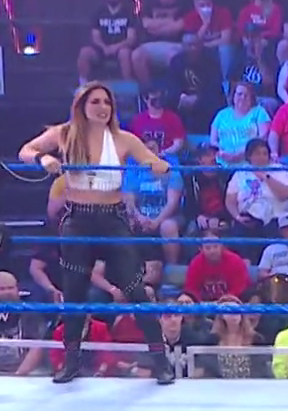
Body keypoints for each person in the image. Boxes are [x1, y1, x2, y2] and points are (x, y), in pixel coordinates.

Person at [18, 82, 175, 384]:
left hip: (113, 219)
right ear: (82, 106)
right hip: (77, 219)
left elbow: (150, 160)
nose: (102, 107)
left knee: (136, 290)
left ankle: (160, 361)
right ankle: (71, 362)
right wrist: (43, 159)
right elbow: (26, 150)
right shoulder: (65, 134)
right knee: (75, 293)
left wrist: (158, 166)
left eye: (107, 102)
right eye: (95, 102)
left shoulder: (123, 139)